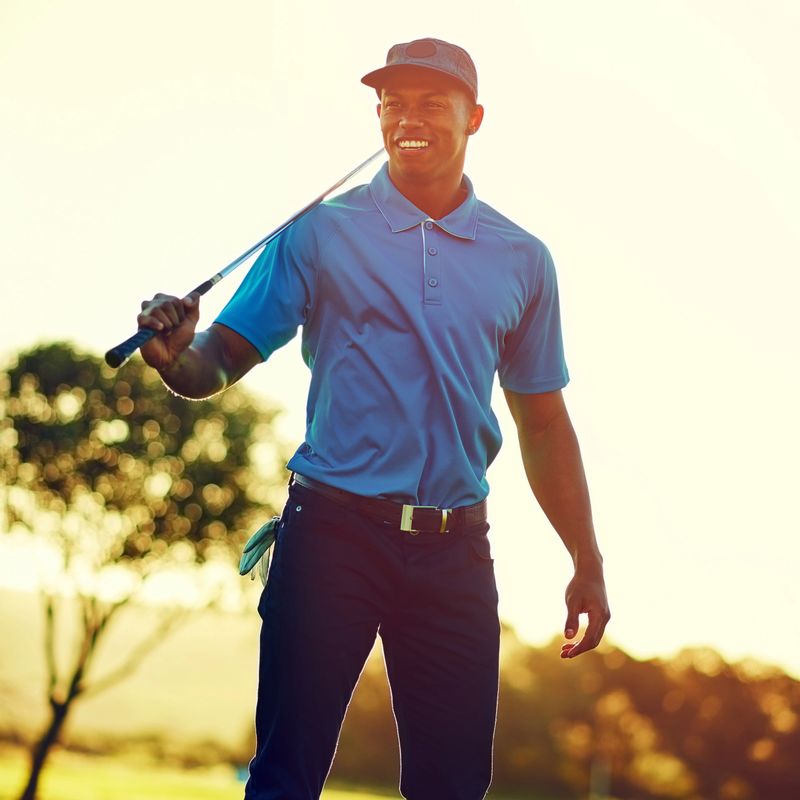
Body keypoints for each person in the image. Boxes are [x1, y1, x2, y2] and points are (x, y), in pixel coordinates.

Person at [137, 37, 609, 800]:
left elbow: (545, 424)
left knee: (452, 787)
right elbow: (218, 361)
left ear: (475, 118)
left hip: (457, 551)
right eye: (392, 103)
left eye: (431, 103)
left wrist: (585, 558)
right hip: (331, 537)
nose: (406, 118)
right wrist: (174, 360)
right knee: (286, 777)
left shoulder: (523, 258)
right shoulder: (319, 232)